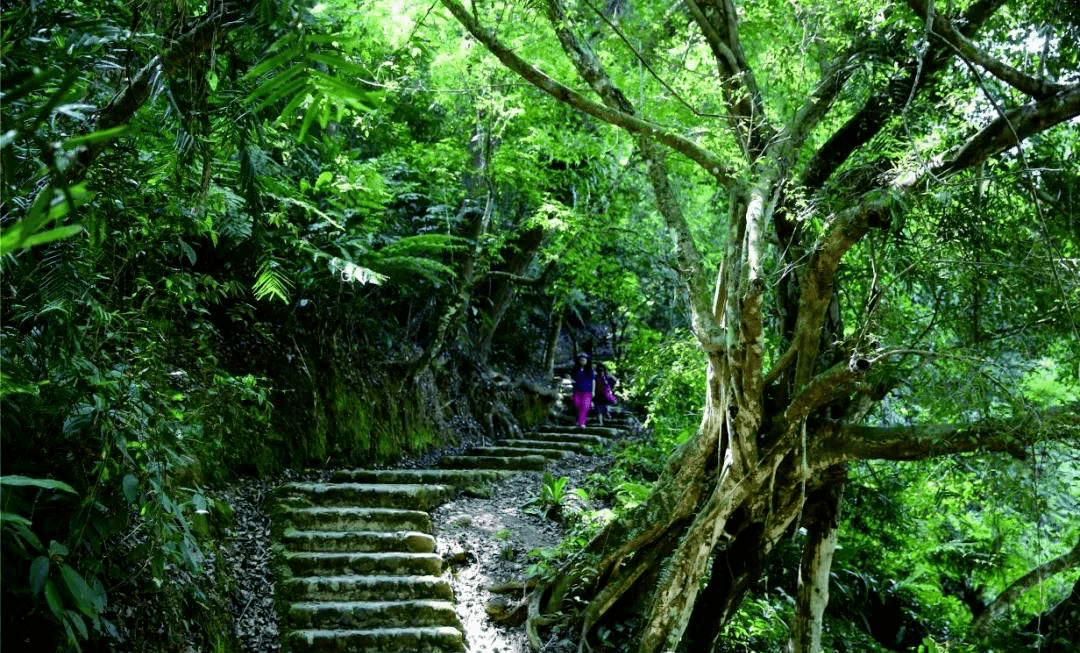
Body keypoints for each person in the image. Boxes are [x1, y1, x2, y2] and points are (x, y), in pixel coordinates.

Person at [570, 353, 594, 427]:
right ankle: (579, 419)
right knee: (577, 404)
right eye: (581, 360)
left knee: (585, 406)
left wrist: (593, 391)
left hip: (587, 391)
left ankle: (581, 422)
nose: (582, 361)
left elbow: (593, 380)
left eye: (584, 360)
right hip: (577, 390)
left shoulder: (590, 370)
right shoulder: (575, 369)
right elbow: (572, 379)